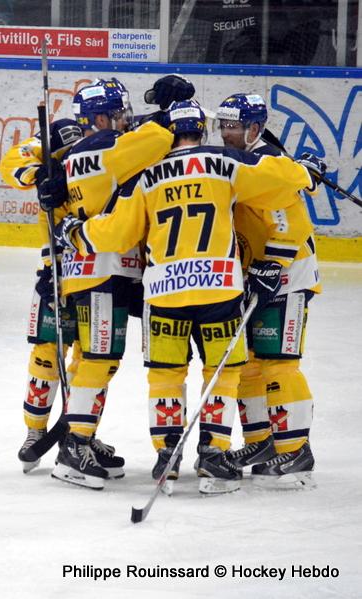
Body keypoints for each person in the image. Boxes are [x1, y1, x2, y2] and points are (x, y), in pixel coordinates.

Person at [54, 100, 326, 494]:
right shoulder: (227, 162)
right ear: (203, 130)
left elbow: (115, 232)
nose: (227, 133)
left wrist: (75, 232)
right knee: (226, 372)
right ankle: (215, 457)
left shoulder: (147, 175)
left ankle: (167, 456)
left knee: (167, 375)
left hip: (163, 290)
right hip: (220, 287)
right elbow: (285, 186)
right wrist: (306, 172)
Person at [29, 79, 176, 490]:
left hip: (90, 270)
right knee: (99, 359)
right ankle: (74, 449)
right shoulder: (110, 147)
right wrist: (171, 110)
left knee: (99, 359)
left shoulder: (78, 155)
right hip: (103, 271)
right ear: (99, 118)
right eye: (117, 114)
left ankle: (81, 438)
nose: (124, 120)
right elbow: (159, 139)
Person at [217, 93, 322, 488]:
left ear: (255, 129)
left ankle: (295, 450)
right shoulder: (246, 160)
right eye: (223, 125)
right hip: (256, 273)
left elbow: (291, 224)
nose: (226, 133)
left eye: (233, 126)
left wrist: (272, 264)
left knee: (279, 363)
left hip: (289, 274)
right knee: (249, 364)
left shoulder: (266, 165)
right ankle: (261, 443)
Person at [0, 117, 84, 474]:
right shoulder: (58, 135)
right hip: (57, 270)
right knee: (47, 355)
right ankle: (35, 431)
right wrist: (40, 174)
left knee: (92, 362)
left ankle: (80, 434)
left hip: (102, 272)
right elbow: (13, 160)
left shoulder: (112, 145)